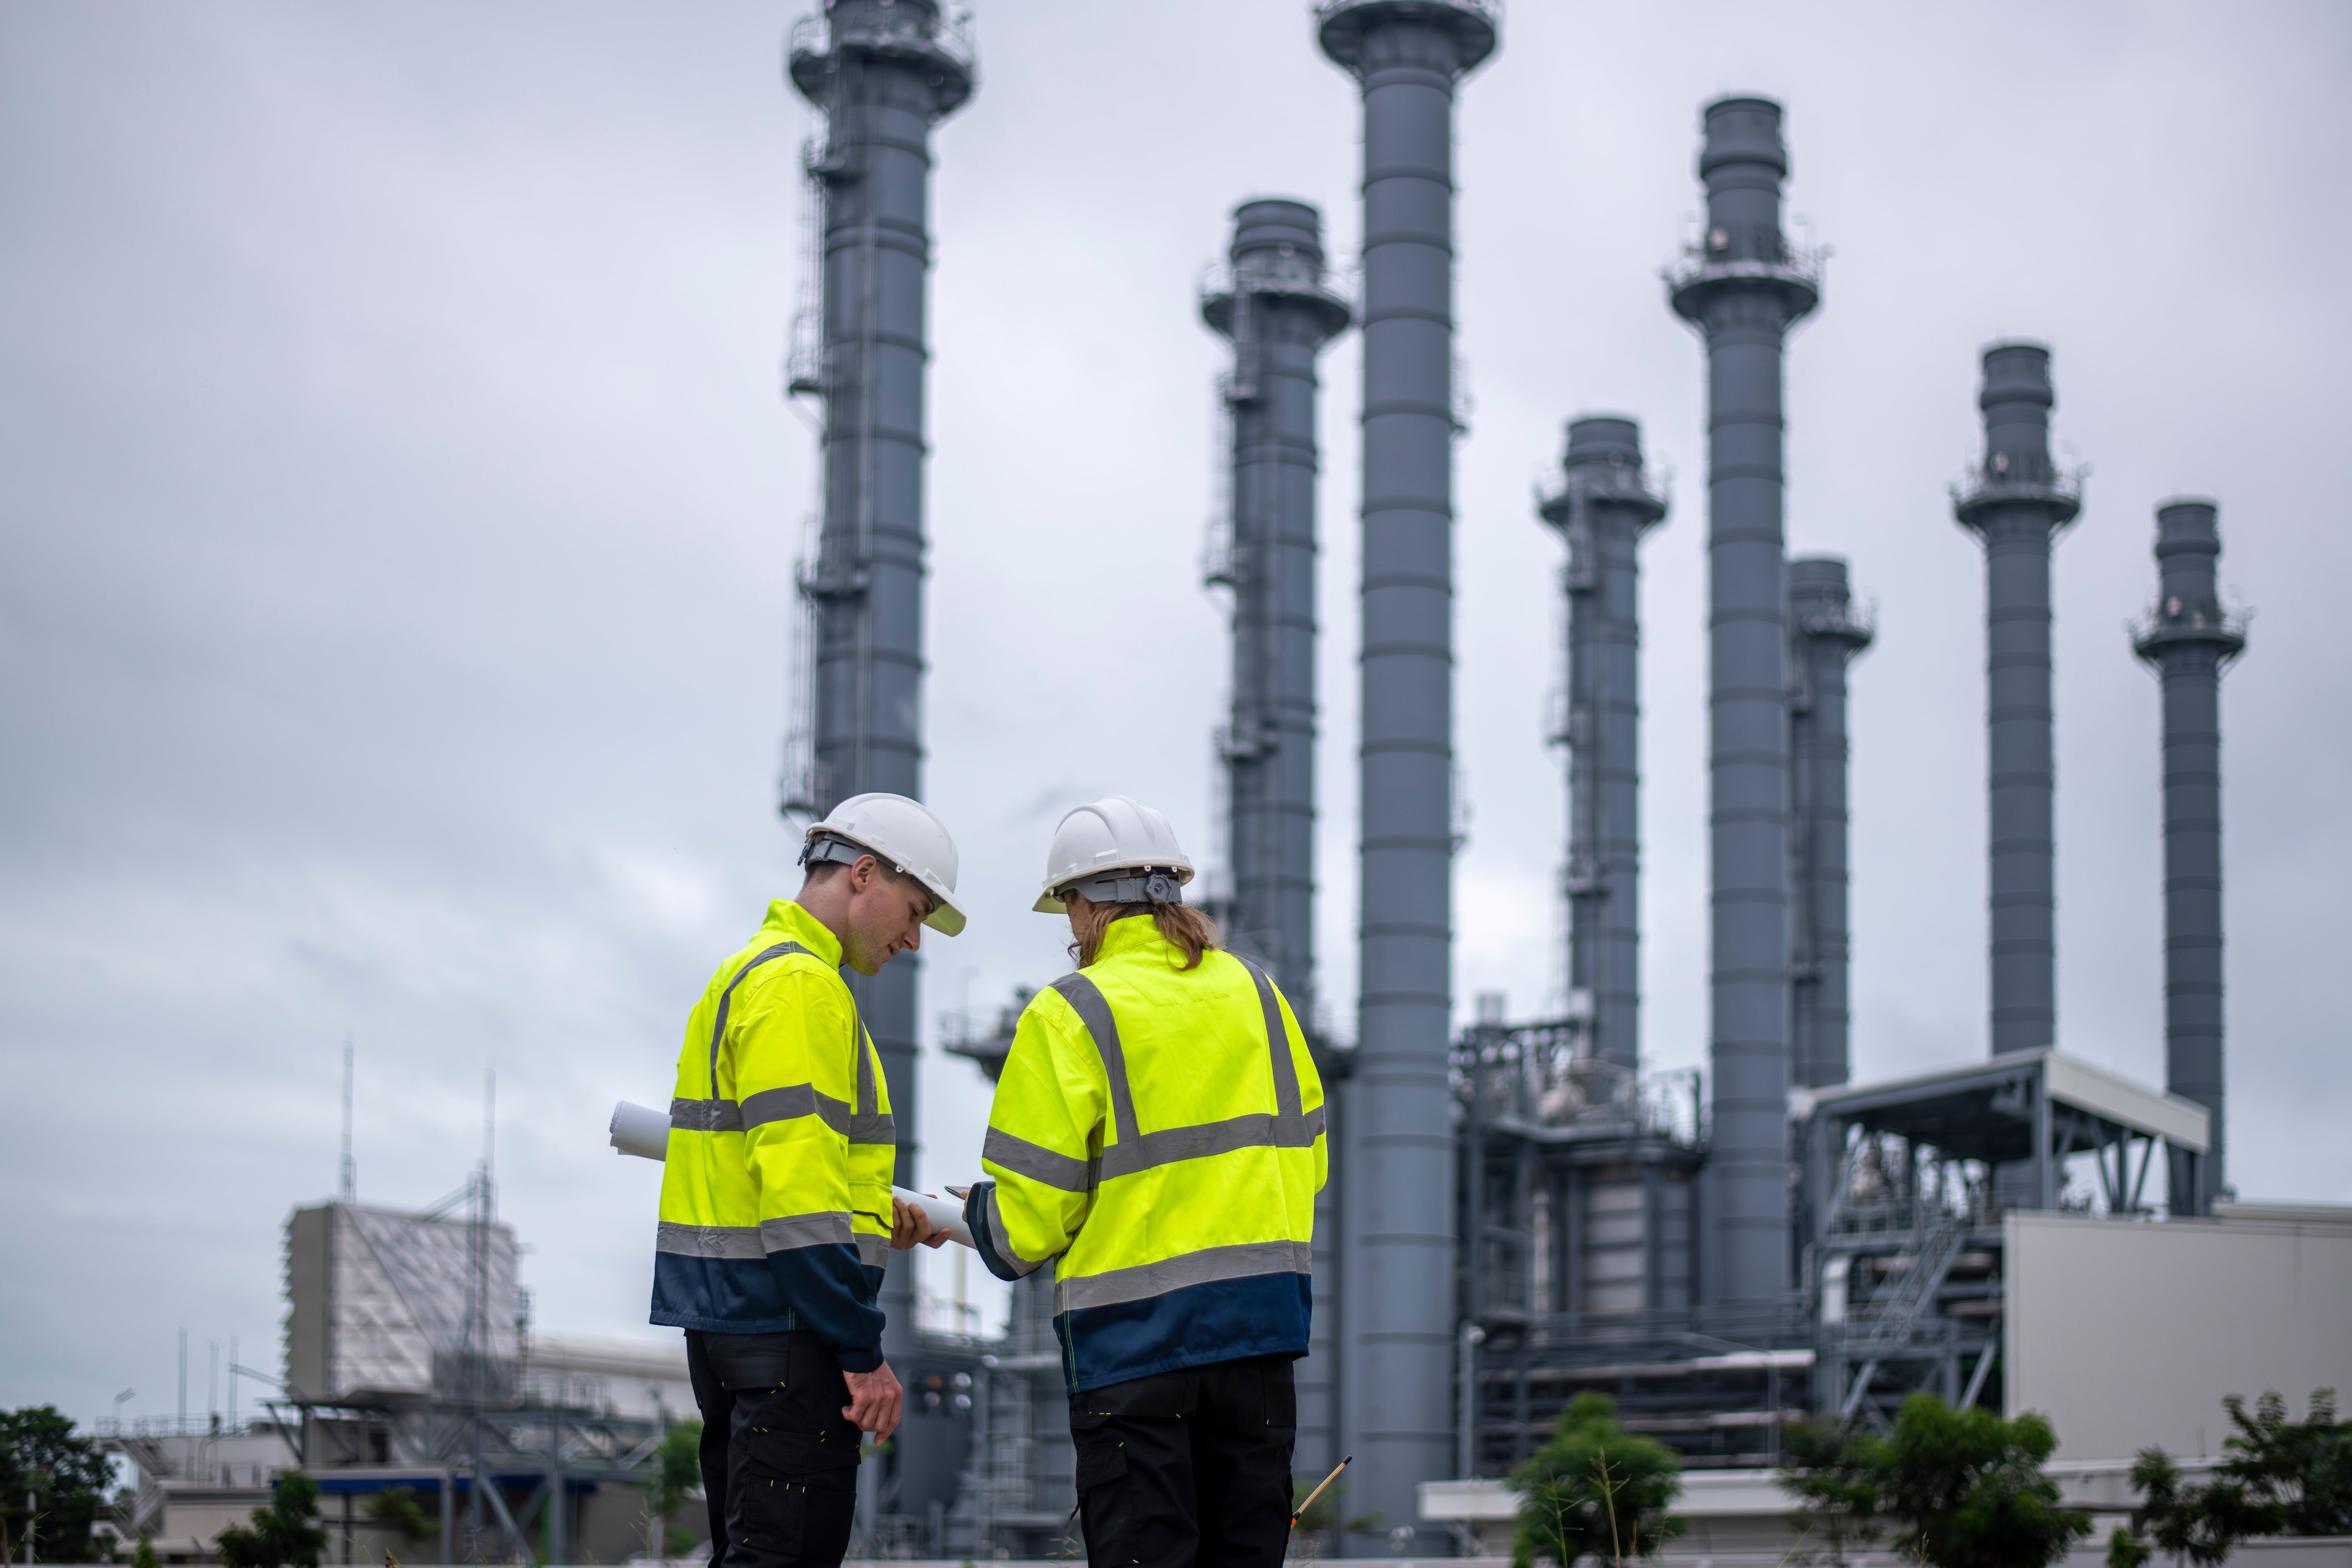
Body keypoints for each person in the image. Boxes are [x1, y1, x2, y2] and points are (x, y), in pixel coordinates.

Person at [963, 796, 1327, 1568]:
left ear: (1088, 904)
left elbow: (1031, 1215)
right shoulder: (1257, 994)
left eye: (1066, 906)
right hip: (1258, 1339)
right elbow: (1309, 1158)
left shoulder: (1070, 1011)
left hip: (1133, 1351)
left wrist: (969, 1216)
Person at [652, 793, 961, 1568]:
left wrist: (868, 1212)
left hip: (734, 1321)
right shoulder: (802, 987)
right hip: (786, 1330)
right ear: (864, 873)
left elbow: (769, 1167)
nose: (913, 939)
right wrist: (862, 1351)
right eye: (914, 909)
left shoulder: (745, 973)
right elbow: (796, 1202)